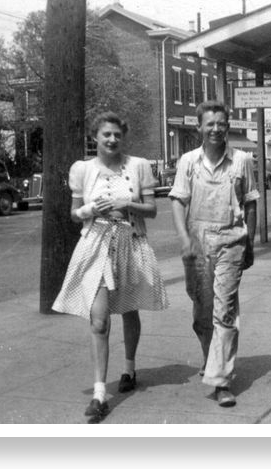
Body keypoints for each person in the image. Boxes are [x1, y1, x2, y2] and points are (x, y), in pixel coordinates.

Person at [52, 112, 169, 419]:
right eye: (106, 135)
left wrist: (125, 205)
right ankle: (100, 392)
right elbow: (74, 212)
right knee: (99, 319)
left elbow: (153, 210)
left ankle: (129, 368)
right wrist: (91, 208)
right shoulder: (83, 169)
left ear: (123, 136)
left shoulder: (139, 166)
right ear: (96, 137)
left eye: (117, 134)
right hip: (96, 245)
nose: (112, 139)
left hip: (129, 243)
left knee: (130, 308)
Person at [169, 100, 259, 408]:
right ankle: (211, 361)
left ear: (228, 126)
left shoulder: (242, 160)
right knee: (201, 312)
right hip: (197, 242)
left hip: (231, 240)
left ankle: (221, 381)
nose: (217, 129)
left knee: (225, 311)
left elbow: (250, 202)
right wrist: (184, 239)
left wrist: (250, 243)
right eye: (210, 124)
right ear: (200, 128)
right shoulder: (188, 162)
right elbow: (178, 202)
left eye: (222, 123)